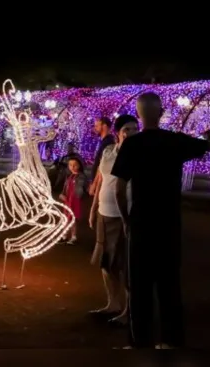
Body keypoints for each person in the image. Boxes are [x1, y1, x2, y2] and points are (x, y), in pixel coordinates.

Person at [112, 92, 210, 349]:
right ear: (161, 113)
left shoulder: (132, 145)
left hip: (140, 224)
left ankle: (140, 342)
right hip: (169, 224)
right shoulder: (175, 141)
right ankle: (170, 341)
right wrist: (209, 137)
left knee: (139, 286)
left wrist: (126, 219)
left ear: (139, 115)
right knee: (170, 285)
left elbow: (118, 188)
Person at [88, 114, 137, 327]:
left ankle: (129, 311)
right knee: (105, 263)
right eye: (127, 128)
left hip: (121, 215)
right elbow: (101, 180)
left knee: (123, 265)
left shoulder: (138, 154)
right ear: (118, 132)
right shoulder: (108, 151)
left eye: (136, 128)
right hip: (104, 212)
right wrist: (93, 209)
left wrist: (128, 218)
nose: (131, 132)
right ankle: (113, 303)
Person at [58, 156, 87, 244]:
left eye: (75, 165)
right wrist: (62, 194)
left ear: (79, 166)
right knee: (66, 218)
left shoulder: (81, 176)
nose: (72, 167)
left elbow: (81, 189)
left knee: (72, 219)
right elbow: (66, 187)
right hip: (68, 201)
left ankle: (73, 236)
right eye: (70, 165)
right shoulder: (70, 176)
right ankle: (64, 235)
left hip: (74, 201)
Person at [88, 117, 115, 196]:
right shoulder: (105, 142)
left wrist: (94, 184)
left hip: (102, 184)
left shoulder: (108, 143)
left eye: (97, 126)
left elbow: (102, 165)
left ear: (104, 126)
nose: (95, 128)